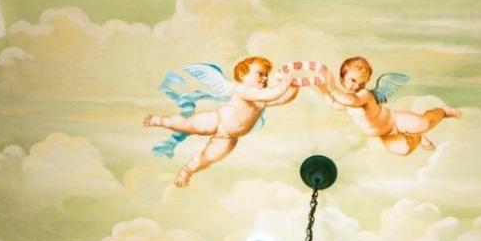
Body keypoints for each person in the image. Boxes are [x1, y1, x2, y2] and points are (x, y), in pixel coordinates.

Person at [144, 56, 298, 186]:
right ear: (242, 75)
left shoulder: (260, 97)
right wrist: (285, 84)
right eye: (260, 74)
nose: (264, 78)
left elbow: (280, 99)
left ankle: (187, 171)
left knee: (209, 157)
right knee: (185, 125)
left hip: (228, 136)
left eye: (266, 75)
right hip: (216, 121)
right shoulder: (243, 90)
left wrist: (293, 88)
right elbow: (272, 94)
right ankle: (160, 121)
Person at [315, 56, 460, 156]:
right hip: (385, 134)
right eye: (353, 80)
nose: (357, 86)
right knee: (403, 150)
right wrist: (324, 90)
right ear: (342, 80)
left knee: (424, 123)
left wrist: (332, 87)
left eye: (362, 83)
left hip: (395, 120)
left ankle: (442, 112)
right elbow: (334, 104)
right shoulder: (345, 101)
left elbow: (352, 101)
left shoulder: (363, 95)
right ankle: (418, 136)